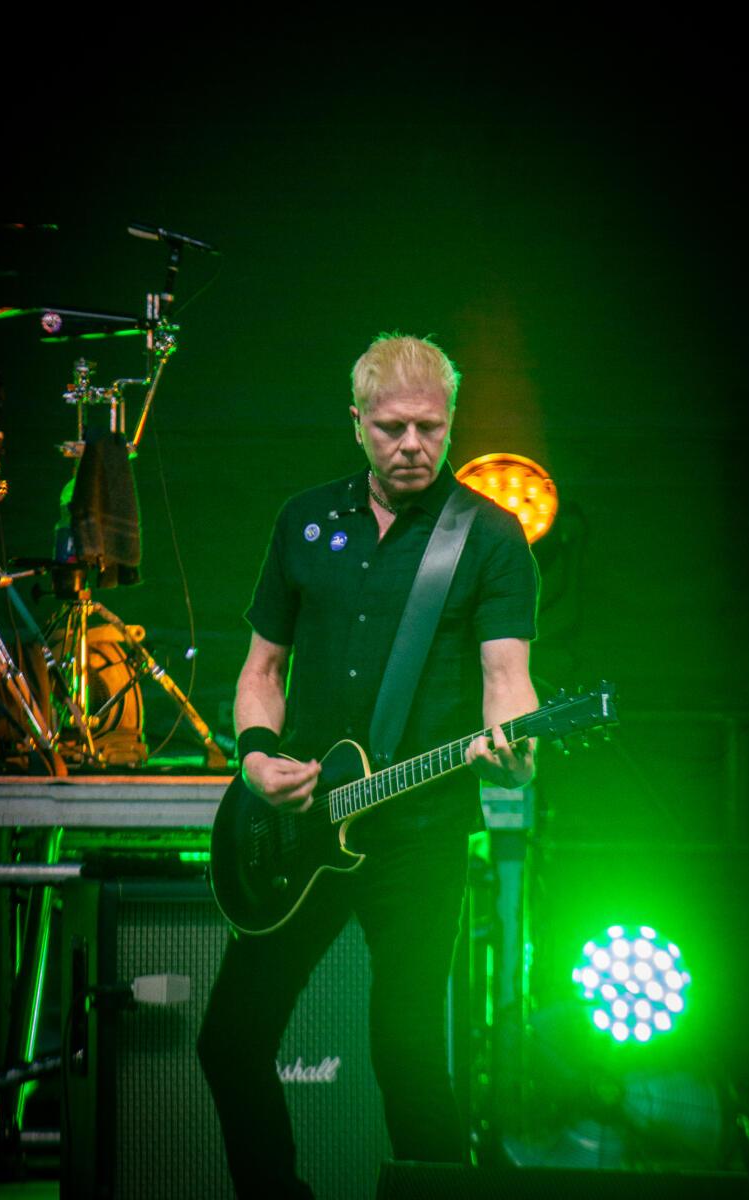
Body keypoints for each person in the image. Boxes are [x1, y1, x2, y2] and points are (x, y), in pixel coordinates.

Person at [198, 333, 538, 1198]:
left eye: (429, 427)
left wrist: (516, 748)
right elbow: (260, 672)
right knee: (229, 1041)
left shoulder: (490, 537)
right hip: (303, 830)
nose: (412, 445)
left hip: (416, 835)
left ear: (452, 422)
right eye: (391, 428)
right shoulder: (304, 522)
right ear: (356, 424)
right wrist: (256, 759)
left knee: (410, 1052)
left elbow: (508, 681)